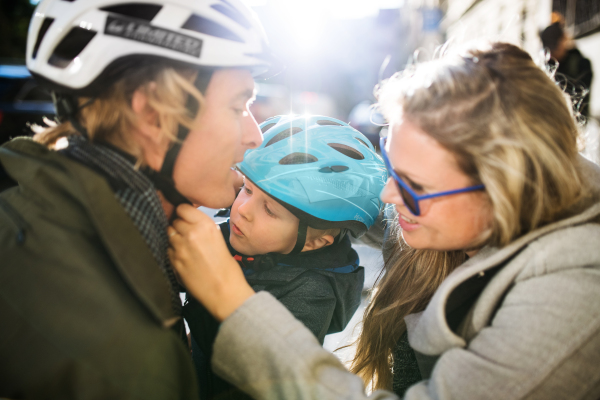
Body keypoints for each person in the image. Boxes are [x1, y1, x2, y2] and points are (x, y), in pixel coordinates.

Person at [169, 41, 600, 400]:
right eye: (391, 170)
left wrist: (232, 300)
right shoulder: (441, 217)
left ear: (502, 189)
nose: (390, 198)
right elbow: (336, 199)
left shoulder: (573, 298)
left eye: (412, 184)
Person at [0, 0, 275, 397]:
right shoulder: (124, 356)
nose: (255, 136)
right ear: (151, 114)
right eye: (238, 106)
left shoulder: (32, 194)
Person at [184, 114, 387, 399]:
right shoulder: (246, 234)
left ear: (315, 242)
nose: (242, 209)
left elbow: (262, 379)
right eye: (247, 189)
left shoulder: (311, 292)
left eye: (269, 210)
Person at [541, 18, 593, 119]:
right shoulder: (545, 67)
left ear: (563, 42)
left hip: (574, 121)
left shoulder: (581, 64)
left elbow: (579, 96)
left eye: (554, 47)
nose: (552, 53)